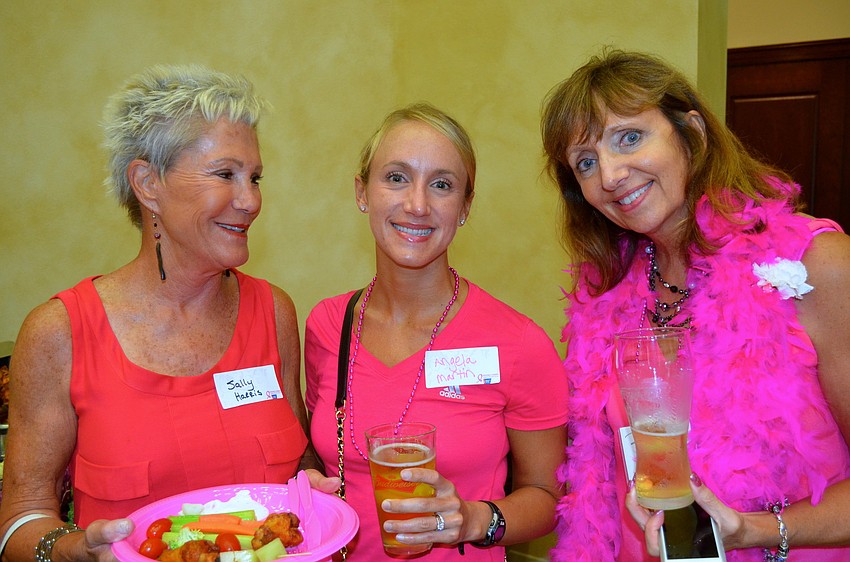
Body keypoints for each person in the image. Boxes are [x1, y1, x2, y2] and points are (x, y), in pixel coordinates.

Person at [0, 65, 321, 561]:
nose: (251, 200)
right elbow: (21, 517)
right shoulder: (60, 332)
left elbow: (298, 467)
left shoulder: (273, 312)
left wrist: (317, 490)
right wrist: (70, 551)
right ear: (148, 184)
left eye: (254, 178)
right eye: (225, 174)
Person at [540, 49, 850, 562]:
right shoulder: (605, 297)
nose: (611, 174)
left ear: (692, 132)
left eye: (629, 137)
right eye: (586, 163)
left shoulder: (817, 266)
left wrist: (750, 530)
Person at [304, 103, 569, 560]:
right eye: (396, 177)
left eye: (442, 185)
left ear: (465, 207)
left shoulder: (518, 343)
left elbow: (549, 498)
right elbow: (319, 449)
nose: (417, 204)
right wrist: (306, 485)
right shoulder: (327, 325)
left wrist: (471, 519)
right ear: (362, 191)